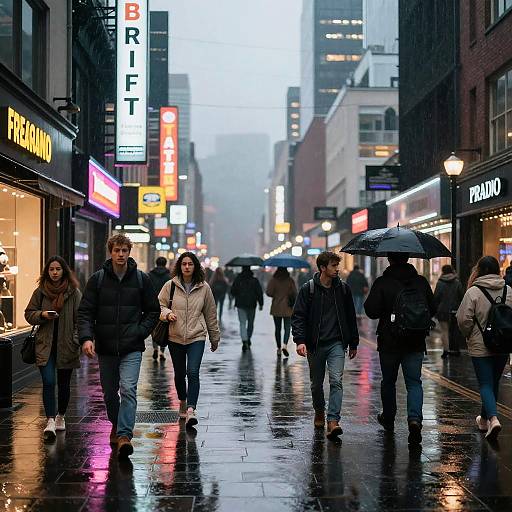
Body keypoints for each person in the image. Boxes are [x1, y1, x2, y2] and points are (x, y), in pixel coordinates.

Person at [78, 234, 160, 458]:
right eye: (117, 250)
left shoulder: (141, 279)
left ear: (129, 252)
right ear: (110, 252)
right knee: (109, 394)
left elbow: (153, 311)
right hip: (105, 348)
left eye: (125, 250)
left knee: (128, 389)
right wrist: (86, 338)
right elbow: (85, 311)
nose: (121, 254)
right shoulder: (98, 279)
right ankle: (116, 423)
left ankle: (124, 435)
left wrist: (140, 332)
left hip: (131, 347)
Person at [364, 252, 436, 446]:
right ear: (408, 259)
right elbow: (433, 307)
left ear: (390, 260)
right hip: (415, 340)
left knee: (388, 381)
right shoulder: (420, 281)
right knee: (414, 382)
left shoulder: (383, 282)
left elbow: (370, 310)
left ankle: (388, 418)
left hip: (390, 341)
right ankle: (414, 419)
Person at [291, 251, 359, 440]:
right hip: (315, 344)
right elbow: (298, 316)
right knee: (316, 384)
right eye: (333, 266)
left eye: (337, 265)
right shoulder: (309, 289)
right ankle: (319, 411)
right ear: (323, 268)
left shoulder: (343, 289)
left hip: (337, 343)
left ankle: (333, 420)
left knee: (336, 381)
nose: (337, 269)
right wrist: (300, 340)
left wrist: (353, 342)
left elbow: (350, 317)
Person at [158, 252, 220, 427]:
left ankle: (191, 409)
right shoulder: (170, 285)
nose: (187, 267)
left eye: (190, 264)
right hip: (175, 336)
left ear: (195, 267)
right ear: (180, 266)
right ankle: (183, 401)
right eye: (184, 264)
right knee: (179, 375)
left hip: (196, 336)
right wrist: (167, 314)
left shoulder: (204, 288)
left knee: (192, 372)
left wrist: (214, 338)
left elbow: (210, 314)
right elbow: (160, 305)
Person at [25, 256, 82, 441]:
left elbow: (80, 318)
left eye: (58, 269)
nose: (55, 272)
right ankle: (50, 420)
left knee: (64, 384)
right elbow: (29, 314)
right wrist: (42, 314)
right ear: (47, 272)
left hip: (67, 345)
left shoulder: (74, 293)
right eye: (51, 269)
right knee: (49, 382)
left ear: (64, 271)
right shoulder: (40, 292)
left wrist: (75, 339)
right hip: (45, 345)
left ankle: (60, 416)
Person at [456, 256, 512, 441]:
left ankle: (493, 419)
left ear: (479, 270)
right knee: (493, 382)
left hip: (481, 345)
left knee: (486, 384)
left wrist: (469, 334)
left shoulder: (473, 292)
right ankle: (484, 420)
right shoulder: (509, 290)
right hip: (504, 344)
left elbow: (463, 320)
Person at [433, 264, 464, 358]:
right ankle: (456, 349)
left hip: (443, 310)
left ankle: (446, 351)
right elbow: (462, 296)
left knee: (444, 331)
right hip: (455, 310)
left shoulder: (440, 283)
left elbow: (436, 297)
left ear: (443, 271)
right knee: (456, 330)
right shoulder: (457, 282)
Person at [266, 267, 297, 357]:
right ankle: (285, 345)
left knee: (277, 329)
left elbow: (268, 292)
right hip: (288, 307)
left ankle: (279, 348)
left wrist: (275, 294)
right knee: (287, 328)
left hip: (276, 307)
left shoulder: (274, 280)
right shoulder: (290, 280)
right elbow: (295, 292)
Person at [230, 266, 264, 350]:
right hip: (252, 304)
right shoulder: (254, 280)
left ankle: (244, 340)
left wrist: (236, 295)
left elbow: (233, 291)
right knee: (250, 323)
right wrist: (261, 304)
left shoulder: (238, 279)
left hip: (240, 304)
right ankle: (248, 338)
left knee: (242, 323)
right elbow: (259, 292)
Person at [148, 257, 172, 361]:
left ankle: (155, 349)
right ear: (165, 263)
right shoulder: (169, 277)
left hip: (152, 305)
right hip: (165, 306)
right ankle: (162, 352)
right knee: (164, 329)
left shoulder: (150, 275)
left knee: (154, 329)